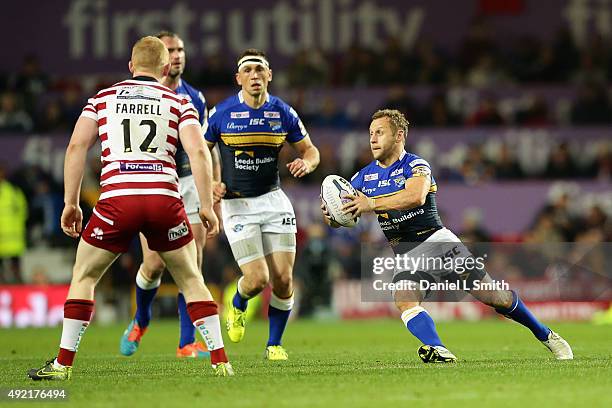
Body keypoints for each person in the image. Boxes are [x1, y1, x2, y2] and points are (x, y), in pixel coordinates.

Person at [28, 36, 233, 380]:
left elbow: (77, 145)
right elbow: (199, 153)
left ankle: (63, 365)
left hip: (116, 201)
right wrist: (206, 207)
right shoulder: (179, 102)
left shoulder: (103, 98)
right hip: (164, 200)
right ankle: (221, 361)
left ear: (130, 66)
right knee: (191, 278)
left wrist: (70, 201)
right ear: (166, 68)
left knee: (85, 276)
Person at [321, 109, 573, 362]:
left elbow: (415, 197)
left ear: (399, 136)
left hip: (438, 243)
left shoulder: (416, 165)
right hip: (406, 253)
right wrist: (332, 215)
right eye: (370, 133)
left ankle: (546, 334)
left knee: (496, 297)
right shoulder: (362, 177)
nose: (372, 139)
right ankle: (438, 349)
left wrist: (371, 204)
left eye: (379, 133)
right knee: (405, 299)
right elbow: (345, 219)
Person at [205, 49, 320, 360]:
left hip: (274, 201)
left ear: (269, 76)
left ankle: (274, 344)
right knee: (258, 279)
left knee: (283, 279)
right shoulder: (222, 113)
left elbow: (311, 151)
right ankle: (239, 304)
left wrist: (307, 164)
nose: (255, 75)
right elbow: (200, 153)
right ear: (238, 78)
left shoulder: (283, 112)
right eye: (249, 71)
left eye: (260, 70)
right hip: (237, 205)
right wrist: (212, 182)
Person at [120, 30, 219, 359]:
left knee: (193, 263)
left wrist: (213, 184)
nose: (176, 55)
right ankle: (141, 318)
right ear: (160, 59)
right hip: (155, 182)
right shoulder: (138, 95)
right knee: (154, 264)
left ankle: (186, 342)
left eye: (180, 49)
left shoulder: (196, 97)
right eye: (170, 50)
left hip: (190, 183)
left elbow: (206, 147)